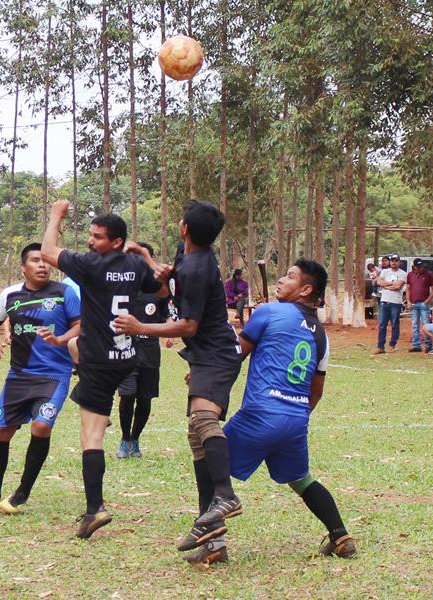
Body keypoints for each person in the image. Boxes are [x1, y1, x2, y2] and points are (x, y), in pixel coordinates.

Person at [185, 259, 356, 565]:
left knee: (207, 456)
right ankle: (340, 535)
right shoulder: (322, 336)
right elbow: (316, 391)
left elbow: (233, 355)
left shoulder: (268, 312)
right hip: (296, 418)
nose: (280, 279)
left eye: (289, 276)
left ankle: (214, 547)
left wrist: (205, 371)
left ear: (305, 289)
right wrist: (292, 417)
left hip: (260, 414)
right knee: (301, 480)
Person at [115, 200, 244, 562]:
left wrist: (141, 327)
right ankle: (213, 542)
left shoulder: (197, 268)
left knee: (204, 421)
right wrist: (144, 255)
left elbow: (188, 325)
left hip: (217, 353)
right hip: (206, 355)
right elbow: (170, 276)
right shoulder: (191, 256)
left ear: (185, 227)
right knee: (196, 435)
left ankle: (225, 495)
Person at [40, 200, 167, 539]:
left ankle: (94, 508)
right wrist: (146, 256)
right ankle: (101, 409)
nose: (91, 241)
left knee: (90, 436)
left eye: (97, 237)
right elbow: (163, 287)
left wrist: (56, 216)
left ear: (115, 241)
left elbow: (48, 252)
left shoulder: (91, 265)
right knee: (80, 359)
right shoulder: (135, 265)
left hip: (96, 360)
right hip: (126, 357)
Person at [0, 243, 81, 515]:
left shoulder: (64, 293)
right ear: (23, 267)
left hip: (54, 376)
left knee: (41, 426)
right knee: (1, 432)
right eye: (35, 261)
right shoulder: (10, 294)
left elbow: (82, 324)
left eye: (45, 261)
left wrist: (62, 339)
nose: (42, 265)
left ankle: (22, 492)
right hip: (18, 376)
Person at [116, 242, 171, 459]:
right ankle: (124, 437)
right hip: (125, 349)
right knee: (127, 394)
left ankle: (135, 439)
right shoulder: (120, 286)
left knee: (145, 399)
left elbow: (169, 314)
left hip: (149, 351)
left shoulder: (159, 290)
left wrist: (170, 332)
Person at [373, 254, 407, 354]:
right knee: (382, 325)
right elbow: (379, 282)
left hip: (396, 302)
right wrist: (392, 284)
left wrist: (386, 285)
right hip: (384, 301)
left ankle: (393, 345)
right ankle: (380, 347)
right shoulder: (384, 271)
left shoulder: (403, 274)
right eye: (392, 260)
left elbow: (398, 287)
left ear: (399, 262)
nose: (393, 262)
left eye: (396, 260)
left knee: (395, 324)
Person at [406, 258, 433, 352]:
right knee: (415, 325)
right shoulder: (410, 275)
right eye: (419, 267)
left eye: (422, 267)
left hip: (423, 303)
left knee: (426, 324)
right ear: (414, 267)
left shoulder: (428, 275)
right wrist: (408, 301)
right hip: (414, 303)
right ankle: (416, 345)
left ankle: (428, 345)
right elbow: (408, 288)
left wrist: (427, 301)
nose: (421, 269)